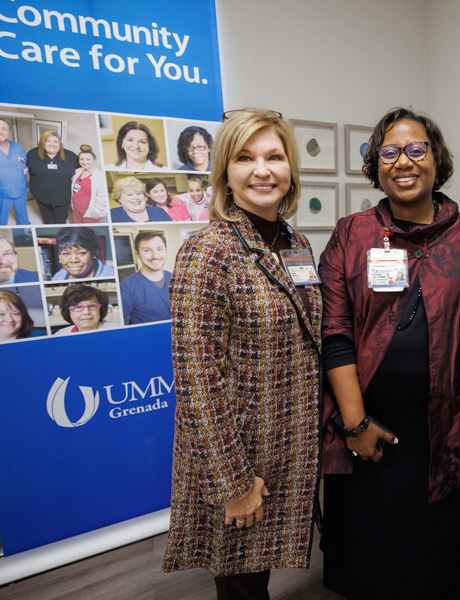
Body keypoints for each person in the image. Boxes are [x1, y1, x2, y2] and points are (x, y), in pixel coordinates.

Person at [318, 107, 460, 600]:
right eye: (389, 152)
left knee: (435, 560)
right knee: (371, 558)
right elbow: (335, 332)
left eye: (417, 150)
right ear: (376, 166)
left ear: (437, 160)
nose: (403, 161)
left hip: (446, 428)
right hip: (367, 425)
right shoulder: (353, 233)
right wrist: (355, 424)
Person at [163, 108, 322, 600]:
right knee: (242, 587)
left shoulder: (295, 243)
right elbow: (196, 381)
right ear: (224, 174)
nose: (262, 170)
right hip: (238, 454)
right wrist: (233, 483)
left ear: (290, 168)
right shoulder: (207, 250)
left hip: (289, 445)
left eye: (274, 157)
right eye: (245, 158)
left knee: (261, 576)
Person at [26, 130, 78, 224]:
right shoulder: (32, 154)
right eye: (48, 141)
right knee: (47, 219)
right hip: (41, 194)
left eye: (55, 141)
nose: (52, 144)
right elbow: (26, 170)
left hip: (63, 195)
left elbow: (83, 168)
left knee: (61, 220)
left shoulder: (70, 156)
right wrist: (29, 185)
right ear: (42, 143)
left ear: (60, 144)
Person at [120, 230, 171, 324]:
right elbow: (124, 327)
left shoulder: (177, 280)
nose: (155, 256)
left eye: (159, 249)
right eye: (147, 250)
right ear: (137, 254)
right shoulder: (127, 287)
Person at [50, 227, 115, 281]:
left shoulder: (112, 276)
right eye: (66, 254)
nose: (73, 260)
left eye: (81, 253)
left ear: (94, 253)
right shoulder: (58, 277)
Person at [53, 284, 118, 335]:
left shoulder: (117, 330)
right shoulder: (60, 336)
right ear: (68, 311)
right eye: (78, 307)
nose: (86, 312)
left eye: (92, 306)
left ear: (100, 309)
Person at [0, 118, 30, 226]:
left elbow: (25, 168)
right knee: (1, 221)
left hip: (20, 190)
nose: (1, 132)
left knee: (24, 219)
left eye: (4, 128)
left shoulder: (18, 147)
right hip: (2, 193)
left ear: (8, 131)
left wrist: (28, 184)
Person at [71, 145, 108, 223]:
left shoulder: (99, 176)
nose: (84, 162)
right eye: (82, 159)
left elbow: (102, 196)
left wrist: (97, 211)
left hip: (90, 211)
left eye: (88, 159)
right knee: (78, 228)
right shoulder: (77, 171)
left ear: (95, 160)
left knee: (89, 231)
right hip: (76, 208)